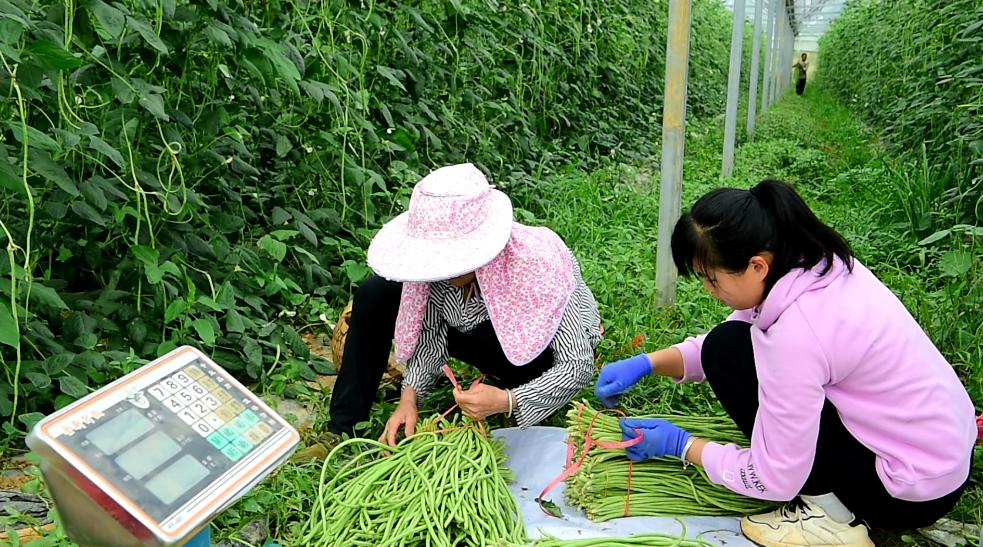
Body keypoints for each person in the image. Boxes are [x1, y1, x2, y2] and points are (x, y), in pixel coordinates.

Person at [594, 179, 976, 547]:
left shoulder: (798, 333)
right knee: (725, 346)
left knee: (727, 353)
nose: (710, 292)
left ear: (757, 266)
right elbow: (730, 338)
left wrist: (682, 445)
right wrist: (648, 362)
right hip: (937, 460)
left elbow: (774, 478)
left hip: (903, 492)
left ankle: (829, 518)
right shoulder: (813, 266)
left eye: (712, 279)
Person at [328, 163, 601, 445]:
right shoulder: (434, 271)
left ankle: (513, 393)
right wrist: (409, 399)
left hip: (539, 358)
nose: (442, 267)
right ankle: (341, 429)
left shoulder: (537, 265)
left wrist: (508, 400)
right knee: (376, 291)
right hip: (480, 337)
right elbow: (431, 334)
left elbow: (577, 363)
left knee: (525, 376)